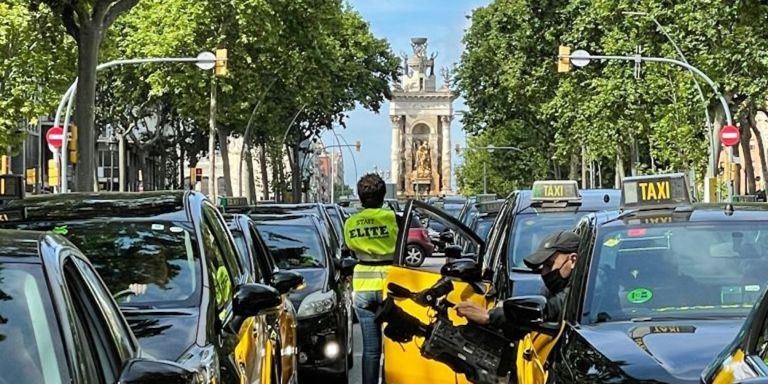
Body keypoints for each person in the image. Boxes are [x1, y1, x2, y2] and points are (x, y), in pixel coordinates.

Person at [457, 230, 579, 330]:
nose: (544, 273)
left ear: (572, 260)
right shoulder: (554, 287)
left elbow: (551, 309)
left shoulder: (588, 288)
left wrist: (490, 316)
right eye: (542, 267)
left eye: (549, 265)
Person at [343, 173, 399, 384]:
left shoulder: (351, 223)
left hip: (363, 288)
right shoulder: (392, 218)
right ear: (383, 196)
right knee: (395, 345)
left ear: (360, 197)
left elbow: (349, 249)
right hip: (391, 288)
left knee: (371, 349)